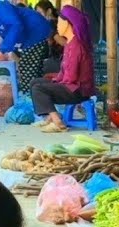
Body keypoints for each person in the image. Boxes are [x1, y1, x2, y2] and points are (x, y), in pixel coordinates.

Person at [30, 5, 92, 134]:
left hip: (77, 90)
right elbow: (66, 72)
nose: (57, 25)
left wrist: (57, 81)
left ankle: (56, 120)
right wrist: (55, 78)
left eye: (59, 22)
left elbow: (72, 77)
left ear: (68, 23)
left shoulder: (76, 46)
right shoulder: (71, 42)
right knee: (35, 82)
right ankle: (49, 117)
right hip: (71, 86)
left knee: (39, 88)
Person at [0, 0, 52, 94]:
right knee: (28, 72)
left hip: (35, 35)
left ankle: (32, 101)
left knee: (28, 74)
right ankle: (35, 100)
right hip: (25, 41)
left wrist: (2, 49)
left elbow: (16, 25)